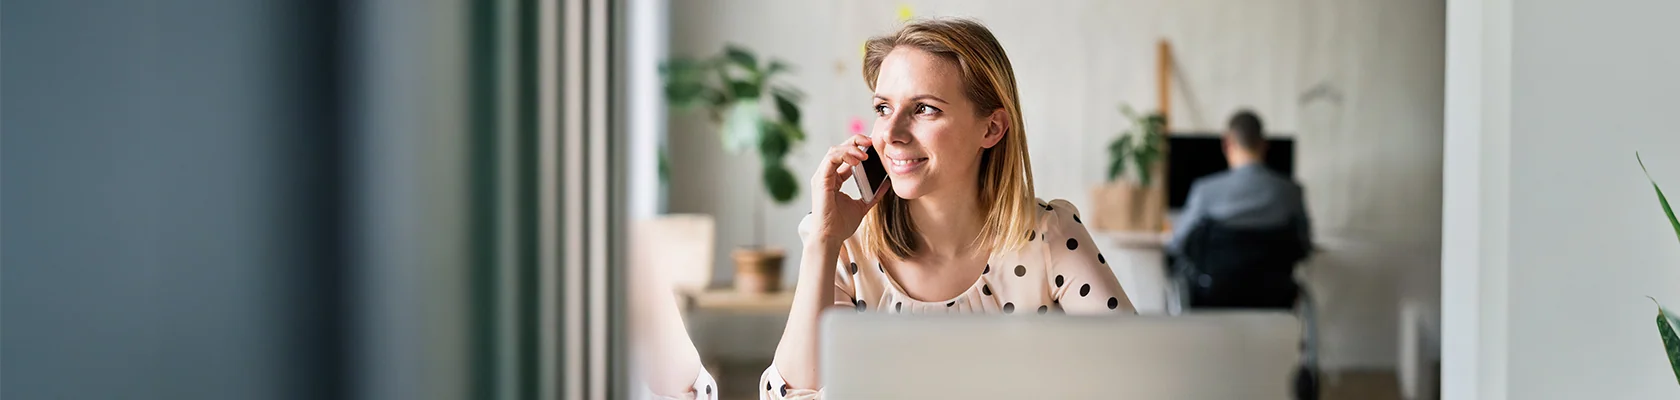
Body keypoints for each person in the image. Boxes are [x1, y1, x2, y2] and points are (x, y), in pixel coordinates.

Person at [759, 18, 1135, 399]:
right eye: (883, 108)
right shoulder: (847, 245)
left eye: (924, 109)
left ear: (991, 129)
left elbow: (1138, 378)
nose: (891, 134)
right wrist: (823, 241)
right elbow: (792, 395)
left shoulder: (1048, 236)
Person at [1165, 110, 1313, 267]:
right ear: (1264, 144)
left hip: (1216, 281)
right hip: (1277, 281)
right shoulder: (1292, 192)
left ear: (1227, 144)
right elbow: (1304, 246)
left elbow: (1177, 244)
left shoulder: (1205, 191)